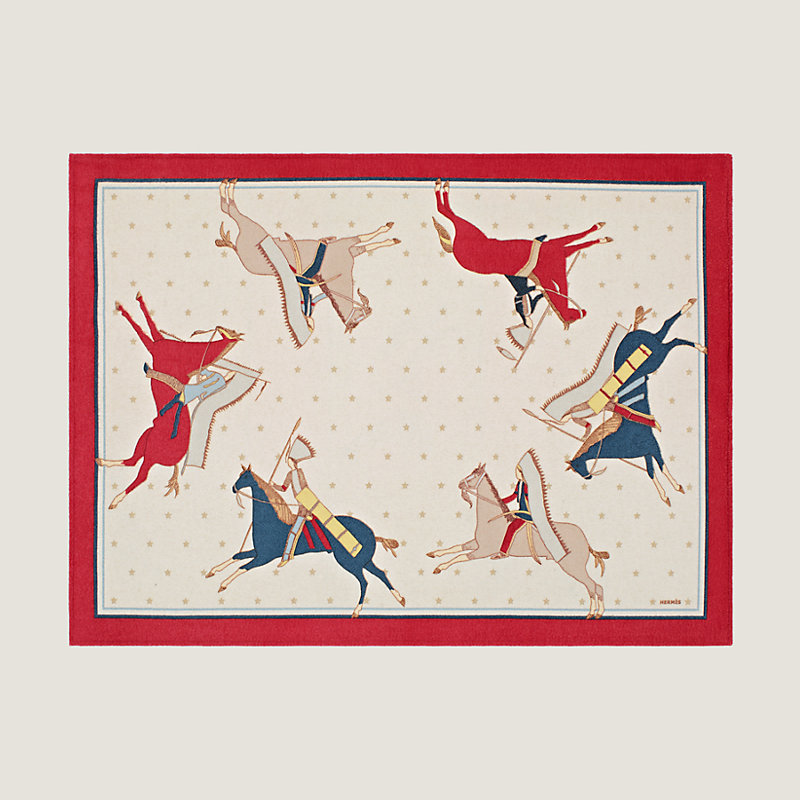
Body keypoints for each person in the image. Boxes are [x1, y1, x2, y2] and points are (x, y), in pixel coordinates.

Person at [144, 364, 234, 439]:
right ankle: (168, 421)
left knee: (171, 383)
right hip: (189, 392)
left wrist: (201, 380)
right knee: (176, 407)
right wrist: (201, 378)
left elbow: (204, 393)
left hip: (189, 391)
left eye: (231, 374)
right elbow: (204, 375)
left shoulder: (219, 381)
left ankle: (150, 373)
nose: (229, 374)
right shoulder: (219, 381)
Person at [490, 464, 533, 559]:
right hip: (522, 512)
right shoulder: (520, 484)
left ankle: (503, 553)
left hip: (529, 514)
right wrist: (500, 501)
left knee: (511, 528)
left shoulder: (528, 485)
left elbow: (532, 501)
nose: (516, 474)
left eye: (517, 472)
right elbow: (513, 496)